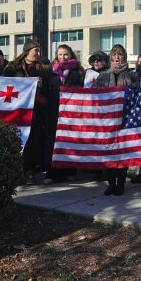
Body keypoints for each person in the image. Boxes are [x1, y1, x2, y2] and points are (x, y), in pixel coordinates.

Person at [93, 44, 140, 196]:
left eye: (120, 54)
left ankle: (120, 183)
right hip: (107, 120)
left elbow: (138, 94)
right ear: (110, 57)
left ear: (124, 57)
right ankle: (110, 183)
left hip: (124, 120)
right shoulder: (103, 76)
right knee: (108, 152)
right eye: (114, 54)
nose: (117, 57)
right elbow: (94, 96)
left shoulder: (131, 74)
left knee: (122, 153)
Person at [4, 39, 50, 185]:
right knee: (17, 140)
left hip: (36, 110)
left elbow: (49, 88)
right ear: (27, 51)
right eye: (35, 50)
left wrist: (40, 86)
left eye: (39, 51)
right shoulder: (12, 68)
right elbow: (6, 85)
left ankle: (30, 171)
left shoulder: (43, 68)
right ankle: (15, 171)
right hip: (17, 109)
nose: (38, 53)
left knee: (34, 140)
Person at [43, 44, 85, 184]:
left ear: (71, 55)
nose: (62, 57)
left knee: (69, 140)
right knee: (52, 141)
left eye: (65, 54)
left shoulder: (78, 71)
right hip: (53, 110)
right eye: (60, 54)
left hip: (71, 112)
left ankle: (70, 170)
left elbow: (83, 91)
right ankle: (51, 173)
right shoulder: (51, 71)